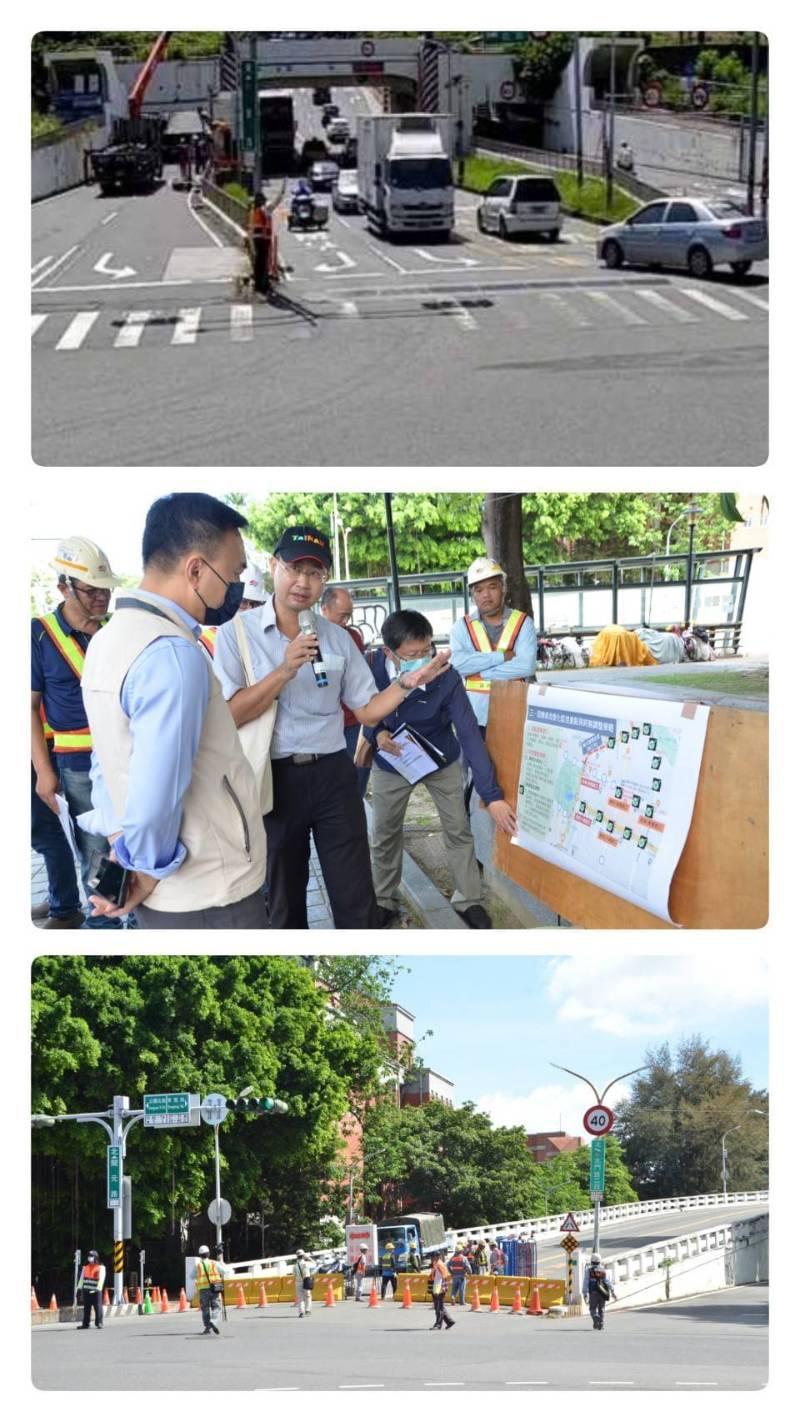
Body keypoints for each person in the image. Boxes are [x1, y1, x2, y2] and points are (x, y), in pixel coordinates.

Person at [213, 526, 452, 929]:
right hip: (273, 779)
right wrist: (285, 669)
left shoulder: (338, 638)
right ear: (274, 566)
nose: (303, 582)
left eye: (315, 573)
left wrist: (407, 682)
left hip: (333, 775)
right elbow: (231, 714)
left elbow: (368, 711)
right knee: (285, 898)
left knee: (354, 894)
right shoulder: (235, 635)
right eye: (294, 568)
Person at [78, 493, 268, 929]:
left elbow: (105, 761)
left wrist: (124, 850)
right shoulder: (171, 654)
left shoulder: (109, 640)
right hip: (211, 886)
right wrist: (144, 870)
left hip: (167, 889)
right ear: (196, 569)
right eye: (234, 573)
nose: (234, 588)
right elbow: (155, 793)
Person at [364, 610, 517, 929]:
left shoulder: (446, 677)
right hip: (393, 761)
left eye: (427, 651)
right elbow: (362, 711)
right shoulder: (372, 669)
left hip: (439, 758)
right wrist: (375, 734)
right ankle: (383, 898)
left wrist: (492, 795)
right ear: (389, 653)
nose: (423, 661)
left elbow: (470, 735)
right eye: (412, 655)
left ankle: (469, 899)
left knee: (458, 827)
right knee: (384, 832)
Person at [31, 538, 124, 930]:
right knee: (96, 852)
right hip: (76, 763)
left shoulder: (115, 631)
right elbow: (26, 708)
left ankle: (129, 915)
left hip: (121, 755)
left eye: (106, 588)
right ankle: (102, 924)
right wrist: (43, 771)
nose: (102, 597)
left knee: (127, 846)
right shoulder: (39, 636)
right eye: (91, 590)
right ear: (64, 587)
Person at [449, 557, 537, 738]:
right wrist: (502, 657)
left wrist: (480, 673)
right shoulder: (461, 627)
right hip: (474, 716)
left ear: (503, 588)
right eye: (478, 590)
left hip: (514, 711)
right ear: (472, 595)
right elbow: (458, 665)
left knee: (512, 766)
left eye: (492, 587)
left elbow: (526, 666)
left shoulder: (523, 623)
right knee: (477, 766)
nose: (486, 595)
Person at [320, 585, 371, 798]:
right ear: (324, 610)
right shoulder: (309, 638)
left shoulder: (352, 636)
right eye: (342, 616)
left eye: (349, 616)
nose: (346, 622)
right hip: (327, 723)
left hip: (354, 721)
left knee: (358, 773)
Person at [589, 625, 657, 668]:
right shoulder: (633, 637)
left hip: (614, 633)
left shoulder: (600, 641)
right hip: (617, 633)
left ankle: (618, 661)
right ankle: (620, 660)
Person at [583, 1252, 618, 1330]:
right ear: (600, 1261)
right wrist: (613, 1291)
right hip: (602, 1293)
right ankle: (600, 1324)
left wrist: (585, 1293)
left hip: (593, 1293)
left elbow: (586, 1282)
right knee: (601, 1308)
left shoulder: (589, 1270)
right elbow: (607, 1282)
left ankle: (596, 1318)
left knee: (592, 1308)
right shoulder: (603, 1270)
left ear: (591, 1261)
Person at [195, 1244, 223, 1335]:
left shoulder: (198, 1265)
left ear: (200, 1255)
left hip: (203, 1290)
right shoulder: (214, 1263)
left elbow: (191, 1276)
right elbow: (224, 1270)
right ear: (209, 1254)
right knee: (217, 1307)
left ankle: (207, 1327)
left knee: (205, 1309)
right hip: (214, 1288)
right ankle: (213, 1321)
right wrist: (220, 1257)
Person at [250, 191, 273, 297]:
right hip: (262, 239)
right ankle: (261, 285)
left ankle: (258, 283)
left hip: (257, 239)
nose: (265, 201)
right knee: (262, 263)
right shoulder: (262, 210)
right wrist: (282, 193)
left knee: (259, 262)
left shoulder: (254, 210)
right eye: (263, 199)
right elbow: (273, 205)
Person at [76, 1250, 106, 1329]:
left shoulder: (101, 1267)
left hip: (96, 1291)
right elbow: (82, 1279)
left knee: (98, 1307)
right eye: (89, 1256)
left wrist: (98, 1288)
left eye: (91, 1256)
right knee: (86, 1308)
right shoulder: (85, 1267)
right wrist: (79, 1289)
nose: (90, 1258)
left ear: (96, 1258)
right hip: (86, 1291)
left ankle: (99, 1323)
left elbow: (101, 1279)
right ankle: (85, 1324)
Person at [429, 1252, 455, 1330]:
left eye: (433, 1256)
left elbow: (444, 1277)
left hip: (439, 1288)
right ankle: (449, 1321)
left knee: (439, 1308)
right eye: (432, 1257)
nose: (432, 1258)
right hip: (436, 1287)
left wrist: (439, 1290)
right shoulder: (436, 1263)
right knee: (440, 1306)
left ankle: (438, 1325)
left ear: (438, 1257)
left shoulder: (439, 1265)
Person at [294, 1249, 313, 1317]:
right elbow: (314, 1263)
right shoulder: (306, 1263)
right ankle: (307, 1310)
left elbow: (294, 1275)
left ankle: (301, 1312)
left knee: (300, 1298)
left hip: (298, 1282)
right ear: (303, 1256)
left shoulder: (295, 1265)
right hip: (306, 1281)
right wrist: (307, 1257)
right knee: (308, 1296)